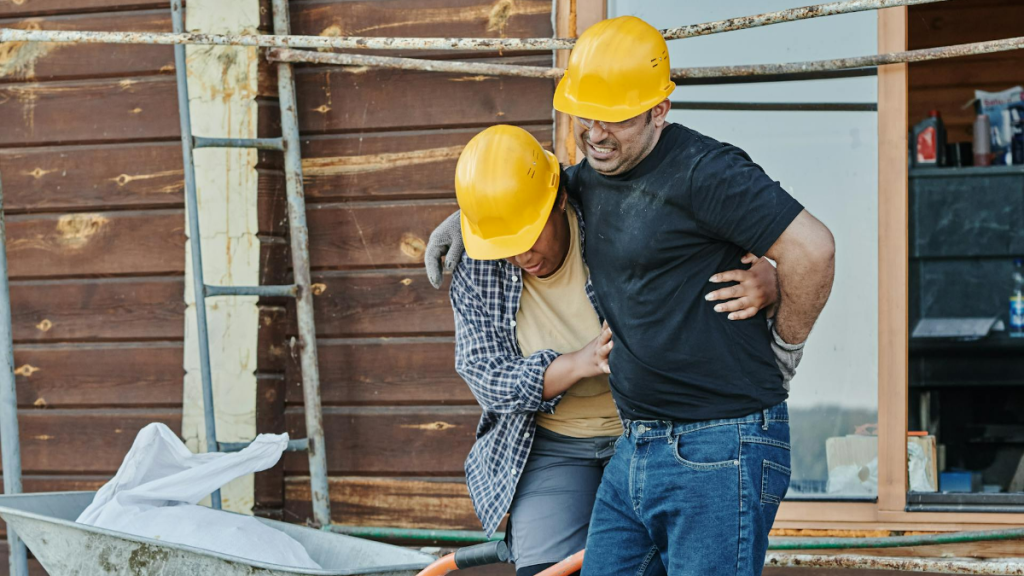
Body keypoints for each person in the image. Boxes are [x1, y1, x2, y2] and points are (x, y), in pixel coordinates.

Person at [427, 16, 835, 576]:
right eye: (585, 114)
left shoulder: (705, 171)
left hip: (719, 439)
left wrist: (783, 339)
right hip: (640, 443)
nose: (595, 132)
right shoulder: (594, 180)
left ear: (659, 110)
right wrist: (467, 218)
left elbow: (813, 250)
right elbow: (536, 186)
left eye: (614, 118)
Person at [446, 125, 785, 576]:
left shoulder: (610, 211)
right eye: (504, 244)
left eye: (529, 235)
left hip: (646, 429)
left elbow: (691, 247)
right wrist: (575, 364)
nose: (520, 255)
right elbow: (485, 375)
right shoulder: (478, 264)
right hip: (553, 442)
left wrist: (772, 278)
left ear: (559, 200)